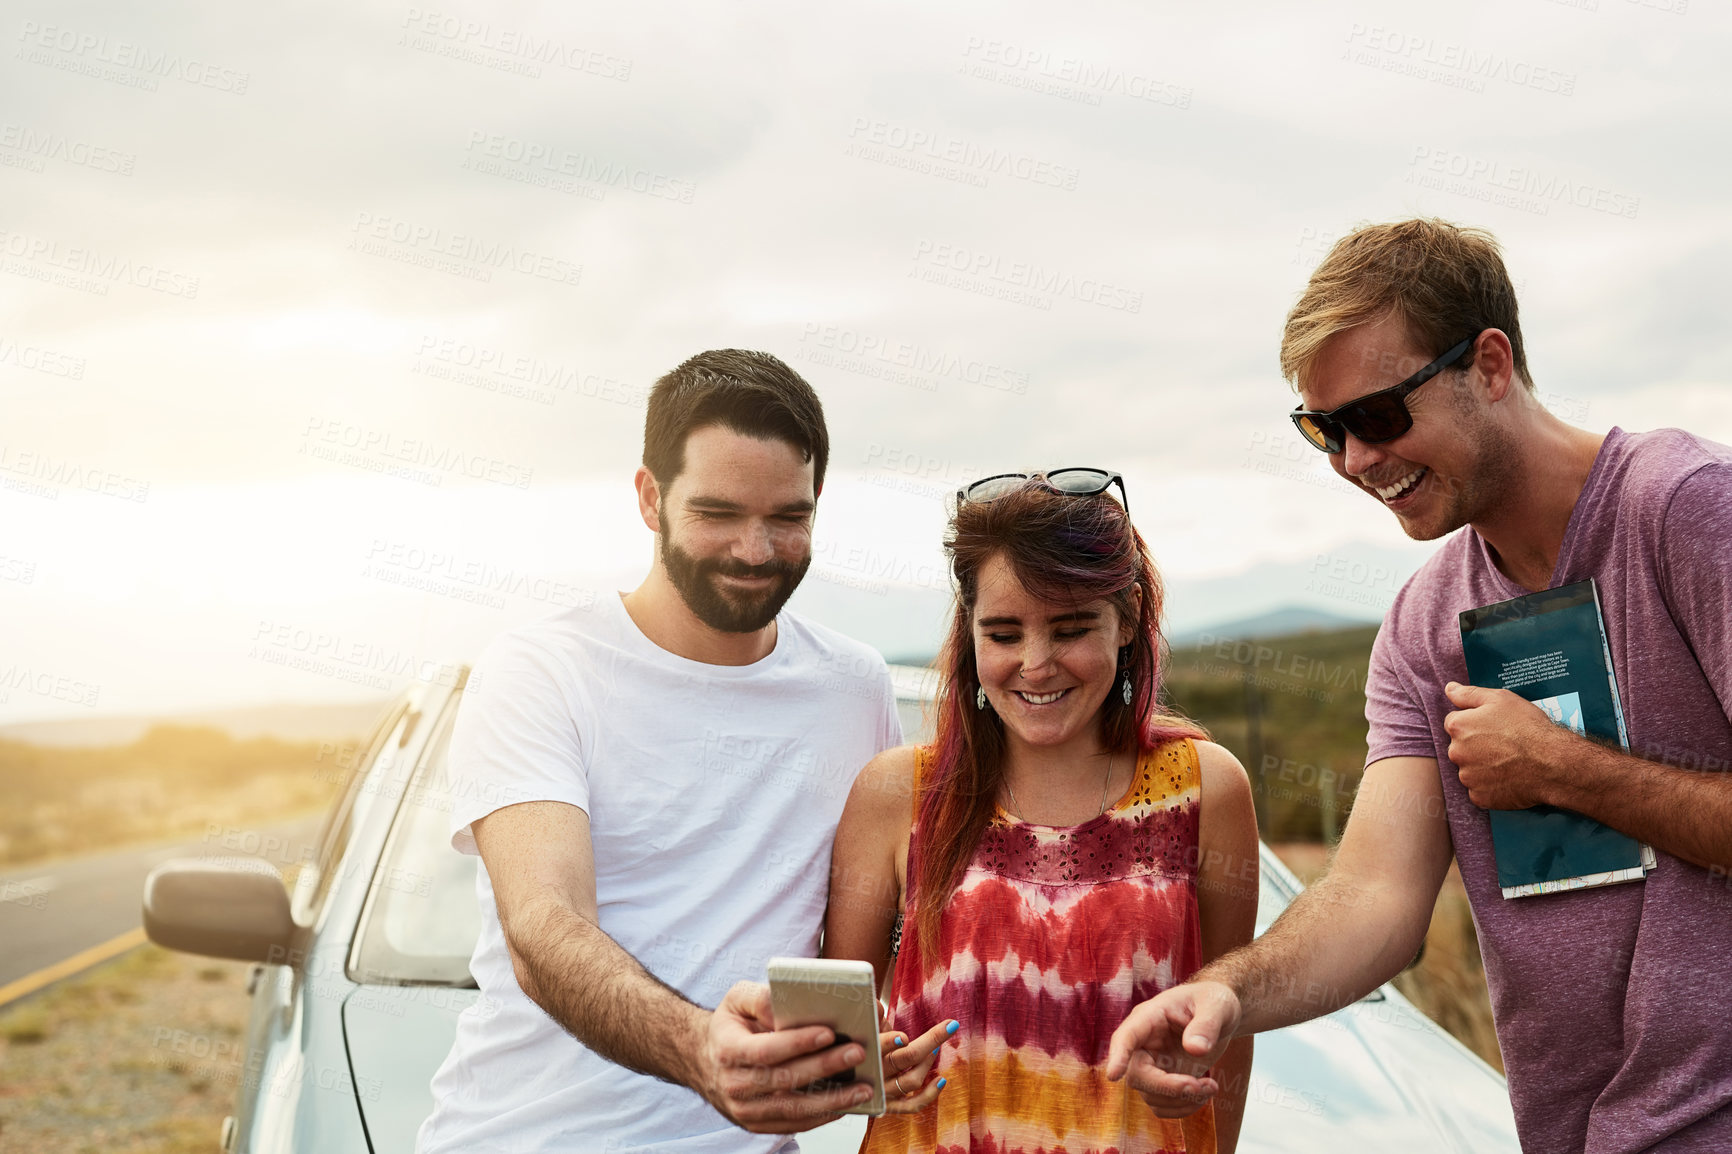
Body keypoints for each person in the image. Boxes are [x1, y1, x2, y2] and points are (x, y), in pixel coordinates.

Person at [1106, 219, 1732, 1152]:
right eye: (1325, 430)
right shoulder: (1420, 625)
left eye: (1380, 416)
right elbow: (1374, 900)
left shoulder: (1685, 510)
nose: (1357, 461)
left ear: (1489, 364)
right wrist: (1227, 992)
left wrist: (1565, 768)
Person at [417, 349, 953, 1154]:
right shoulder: (540, 671)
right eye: (718, 513)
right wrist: (700, 1049)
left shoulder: (853, 685)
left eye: (788, 517)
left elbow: (863, 966)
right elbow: (542, 925)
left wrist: (870, 1052)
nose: (755, 549)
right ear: (649, 497)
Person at [826, 471, 1261, 1154]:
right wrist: (864, 1068)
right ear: (968, 634)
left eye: (1070, 629)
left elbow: (1230, 1029)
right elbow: (836, 1035)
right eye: (1002, 634)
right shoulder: (897, 793)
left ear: (1128, 618)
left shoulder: (1206, 788)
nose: (1035, 664)